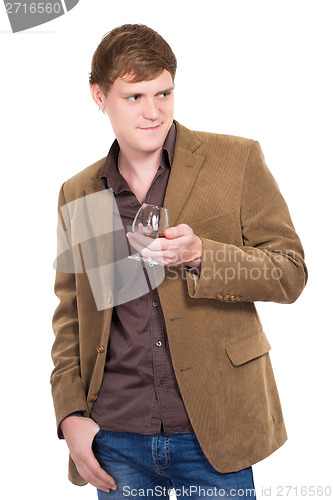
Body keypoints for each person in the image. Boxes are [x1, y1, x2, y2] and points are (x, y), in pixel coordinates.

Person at [51, 23, 308, 499]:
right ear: (99, 96)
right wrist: (69, 416)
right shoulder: (80, 191)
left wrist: (201, 255)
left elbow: (289, 272)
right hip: (116, 437)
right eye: (134, 97)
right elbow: (71, 317)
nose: (154, 112)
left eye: (164, 92)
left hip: (215, 432)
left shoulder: (236, 160)